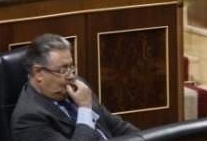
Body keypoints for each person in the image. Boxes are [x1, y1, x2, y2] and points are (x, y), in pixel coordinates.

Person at [11, 33, 139, 140]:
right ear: (38, 72)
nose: (71, 76)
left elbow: (113, 124)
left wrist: (144, 138)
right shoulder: (29, 120)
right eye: (62, 70)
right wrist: (84, 109)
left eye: (70, 67)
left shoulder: (76, 86)